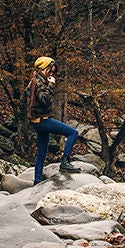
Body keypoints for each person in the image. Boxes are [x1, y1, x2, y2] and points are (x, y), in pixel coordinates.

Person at [27, 56, 80, 184]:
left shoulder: (34, 81)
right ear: (44, 68)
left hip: (37, 121)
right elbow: (44, 100)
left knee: (41, 154)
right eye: (50, 71)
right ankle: (65, 162)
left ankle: (37, 181)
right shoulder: (38, 83)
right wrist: (51, 84)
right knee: (73, 133)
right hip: (43, 121)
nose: (51, 74)